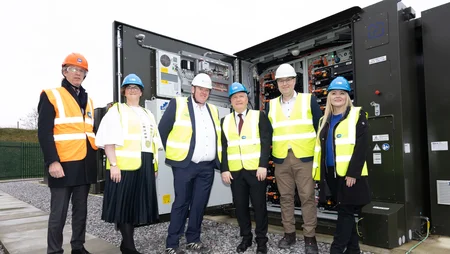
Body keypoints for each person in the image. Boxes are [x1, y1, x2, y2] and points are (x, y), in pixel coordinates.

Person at [95, 74, 162, 254]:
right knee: (124, 205)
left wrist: (154, 166)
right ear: (124, 92)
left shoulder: (148, 114)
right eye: (129, 87)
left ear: (141, 92)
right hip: (123, 166)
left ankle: (126, 244)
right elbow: (108, 141)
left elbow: (153, 142)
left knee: (135, 205)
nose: (133, 90)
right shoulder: (116, 111)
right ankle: (129, 246)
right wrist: (114, 164)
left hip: (145, 164)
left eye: (136, 88)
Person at [38, 53, 97, 254]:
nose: (77, 74)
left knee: (81, 212)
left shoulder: (88, 100)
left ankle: (78, 247)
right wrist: (52, 162)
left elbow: (90, 131)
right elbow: (44, 133)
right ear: (64, 71)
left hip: (84, 165)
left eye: (81, 71)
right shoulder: (51, 95)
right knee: (58, 213)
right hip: (62, 165)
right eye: (73, 69)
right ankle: (54, 251)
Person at [158, 73, 222, 254]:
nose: (204, 92)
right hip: (185, 165)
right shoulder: (177, 104)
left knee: (199, 204)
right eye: (200, 89)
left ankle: (193, 238)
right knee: (181, 203)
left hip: (207, 167)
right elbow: (163, 130)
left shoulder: (213, 110)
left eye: (207, 90)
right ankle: (172, 243)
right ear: (192, 89)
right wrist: (176, 154)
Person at [266, 63, 322, 254]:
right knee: (286, 198)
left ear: (295, 81)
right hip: (281, 159)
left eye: (288, 79)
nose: (285, 83)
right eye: (281, 80)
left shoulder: (309, 100)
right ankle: (289, 233)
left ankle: (309, 237)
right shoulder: (271, 105)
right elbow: (267, 134)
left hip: (304, 158)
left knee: (307, 197)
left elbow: (320, 128)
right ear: (277, 83)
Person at [312, 77, 370, 254]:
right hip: (331, 174)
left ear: (347, 96)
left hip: (350, 175)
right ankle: (354, 250)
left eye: (342, 93)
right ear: (329, 96)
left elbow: (362, 147)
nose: (338, 96)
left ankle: (336, 250)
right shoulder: (324, 120)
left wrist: (353, 173)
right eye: (334, 93)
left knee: (344, 213)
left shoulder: (357, 114)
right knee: (345, 212)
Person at [220, 82, 272, 254]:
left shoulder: (259, 116)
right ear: (231, 101)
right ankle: (246, 238)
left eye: (241, 96)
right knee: (240, 207)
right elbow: (224, 147)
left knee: (259, 207)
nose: (238, 99)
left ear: (246, 98)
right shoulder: (225, 121)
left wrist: (263, 165)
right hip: (235, 172)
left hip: (256, 170)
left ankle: (261, 240)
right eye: (234, 97)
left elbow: (266, 143)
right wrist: (224, 169)